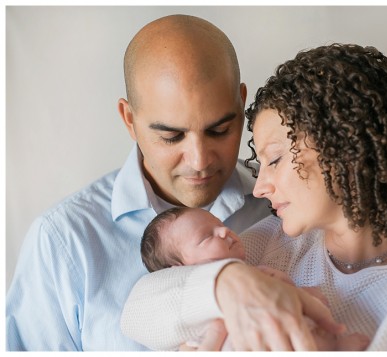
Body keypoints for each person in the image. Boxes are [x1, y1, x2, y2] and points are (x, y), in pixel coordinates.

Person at [121, 43, 387, 351]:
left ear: (343, 146)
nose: (259, 187)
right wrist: (227, 282)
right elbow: (137, 313)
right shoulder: (277, 243)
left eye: (274, 159)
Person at [5, 15, 272, 351]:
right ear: (129, 120)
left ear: (240, 104)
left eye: (219, 130)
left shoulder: (281, 207)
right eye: (172, 136)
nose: (199, 160)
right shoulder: (63, 242)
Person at [137, 206, 370, 351]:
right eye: (206, 237)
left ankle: (336, 346)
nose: (223, 231)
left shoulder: (260, 269)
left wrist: (308, 295)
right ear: (179, 269)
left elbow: (289, 296)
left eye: (219, 225)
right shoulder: (189, 307)